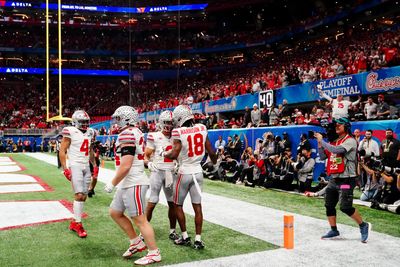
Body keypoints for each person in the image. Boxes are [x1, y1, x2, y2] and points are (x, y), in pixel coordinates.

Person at [104, 106, 161, 265]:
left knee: (140, 219)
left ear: (126, 119)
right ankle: (136, 241)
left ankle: (154, 252)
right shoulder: (135, 132)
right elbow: (136, 158)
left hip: (133, 182)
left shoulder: (127, 134)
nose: (116, 122)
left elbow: (126, 164)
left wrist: (112, 182)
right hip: (128, 182)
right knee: (115, 212)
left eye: (118, 118)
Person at [163, 105, 217, 250]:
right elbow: (211, 151)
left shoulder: (178, 131)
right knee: (197, 207)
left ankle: (185, 236)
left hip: (185, 171)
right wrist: (214, 162)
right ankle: (198, 240)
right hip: (198, 172)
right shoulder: (201, 128)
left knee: (177, 205)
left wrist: (164, 153)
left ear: (180, 118)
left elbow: (174, 154)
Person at [315, 117, 370, 243]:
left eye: (340, 125)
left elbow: (337, 150)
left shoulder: (350, 140)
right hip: (334, 179)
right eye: (336, 125)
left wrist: (321, 140)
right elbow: (324, 156)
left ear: (346, 127)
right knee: (329, 205)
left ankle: (363, 225)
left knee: (345, 207)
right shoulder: (335, 141)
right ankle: (334, 229)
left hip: (346, 181)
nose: (337, 126)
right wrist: (320, 145)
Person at [59, 110, 97, 238]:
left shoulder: (91, 132)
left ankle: (75, 221)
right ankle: (78, 224)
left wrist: (95, 165)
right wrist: (65, 168)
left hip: (86, 165)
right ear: (75, 122)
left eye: (87, 122)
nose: (85, 124)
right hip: (75, 165)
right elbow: (62, 150)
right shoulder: (70, 131)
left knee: (84, 197)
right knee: (79, 195)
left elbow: (90, 149)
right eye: (82, 122)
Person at [144, 110, 178, 241]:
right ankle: (144, 231)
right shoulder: (154, 136)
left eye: (171, 122)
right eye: (167, 122)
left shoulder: (176, 136)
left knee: (172, 203)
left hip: (170, 172)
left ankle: (172, 230)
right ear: (161, 122)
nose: (169, 125)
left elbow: (178, 154)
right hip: (157, 171)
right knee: (152, 201)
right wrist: (148, 163)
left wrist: (177, 163)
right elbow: (146, 155)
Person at [88, 128, 100, 197]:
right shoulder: (87, 141)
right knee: (89, 176)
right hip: (88, 161)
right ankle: (90, 188)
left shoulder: (96, 143)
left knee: (95, 176)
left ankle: (91, 189)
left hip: (95, 160)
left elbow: (97, 154)